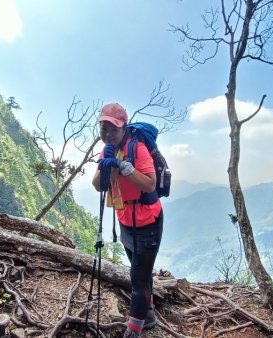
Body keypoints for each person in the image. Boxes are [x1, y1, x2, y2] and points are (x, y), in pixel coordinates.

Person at [92, 103, 163, 338]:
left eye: (113, 129)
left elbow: (150, 184)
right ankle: (148, 314)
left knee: (138, 278)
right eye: (103, 129)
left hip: (148, 222)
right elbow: (97, 185)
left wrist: (124, 167)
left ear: (123, 128)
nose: (108, 134)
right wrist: (105, 166)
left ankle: (133, 331)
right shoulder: (107, 151)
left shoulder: (138, 149)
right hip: (125, 220)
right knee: (139, 271)